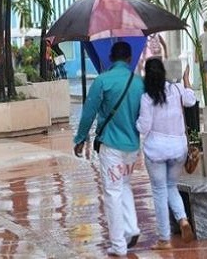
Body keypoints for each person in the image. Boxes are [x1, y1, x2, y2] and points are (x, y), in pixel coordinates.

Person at [73, 41, 144, 257]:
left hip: (111, 146)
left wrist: (80, 138)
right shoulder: (139, 82)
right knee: (124, 186)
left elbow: (89, 112)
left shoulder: (102, 81)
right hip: (132, 146)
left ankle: (118, 245)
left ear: (111, 59)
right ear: (130, 59)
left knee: (112, 192)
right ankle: (132, 228)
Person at [136, 58, 196, 250]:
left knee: (160, 192)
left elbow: (144, 128)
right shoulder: (177, 89)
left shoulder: (146, 98)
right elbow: (191, 100)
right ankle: (183, 219)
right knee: (171, 186)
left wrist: (134, 123)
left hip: (156, 151)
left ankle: (164, 239)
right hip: (179, 149)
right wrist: (186, 80)